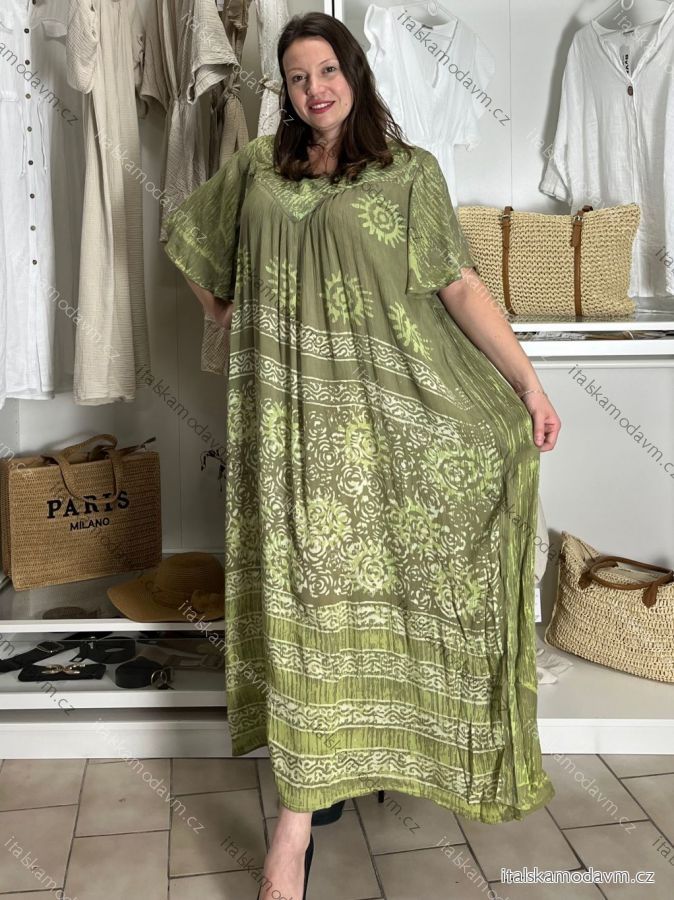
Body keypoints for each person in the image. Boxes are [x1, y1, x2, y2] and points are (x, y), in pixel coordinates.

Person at [164, 12, 562, 900]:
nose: (315, 89)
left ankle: (322, 800)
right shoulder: (258, 171)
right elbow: (185, 233)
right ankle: (293, 834)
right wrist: (220, 307)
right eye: (298, 76)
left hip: (383, 438)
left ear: (354, 72)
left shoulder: (409, 173)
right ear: (286, 89)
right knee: (304, 614)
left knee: (350, 610)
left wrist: (529, 388)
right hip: (287, 437)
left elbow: (458, 284)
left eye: (327, 70)